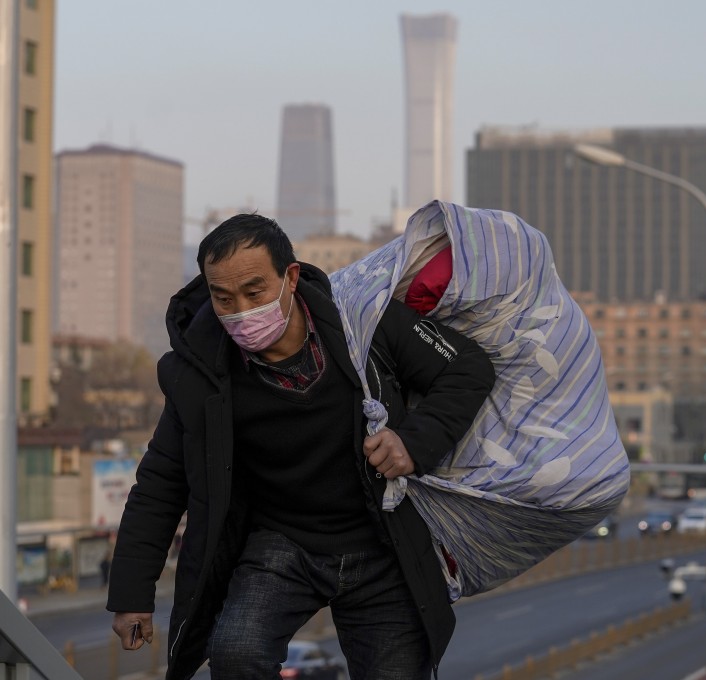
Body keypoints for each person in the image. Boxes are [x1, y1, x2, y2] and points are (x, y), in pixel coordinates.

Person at [105, 214, 496, 680]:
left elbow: (467, 368)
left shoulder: (362, 322)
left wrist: (413, 441)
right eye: (223, 298)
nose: (241, 312)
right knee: (235, 654)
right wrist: (131, 595)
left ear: (290, 277)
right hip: (282, 544)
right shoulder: (198, 374)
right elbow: (160, 482)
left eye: (255, 292)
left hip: (384, 542)